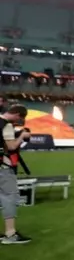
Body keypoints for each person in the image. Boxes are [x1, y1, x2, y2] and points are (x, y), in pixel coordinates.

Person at [0, 104, 31, 244]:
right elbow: (11, 146)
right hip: (3, 167)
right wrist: (22, 135)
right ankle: (10, 234)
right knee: (9, 197)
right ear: (18, 115)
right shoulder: (6, 125)